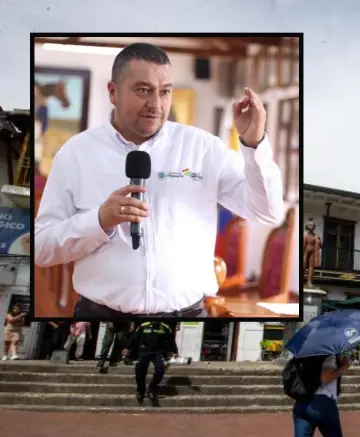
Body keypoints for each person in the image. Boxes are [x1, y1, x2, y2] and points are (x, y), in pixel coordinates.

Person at [34, 42, 286, 317]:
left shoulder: (202, 149)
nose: (155, 104)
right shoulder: (75, 154)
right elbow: (42, 248)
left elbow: (267, 211)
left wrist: (254, 144)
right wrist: (98, 220)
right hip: (101, 319)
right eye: (143, 90)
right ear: (113, 92)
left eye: (165, 91)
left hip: (189, 319)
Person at [124, 320, 176, 405]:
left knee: (160, 369)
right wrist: (127, 347)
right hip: (144, 352)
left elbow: (171, 340)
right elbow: (134, 338)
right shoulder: (143, 325)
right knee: (140, 370)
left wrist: (174, 351)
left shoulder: (165, 327)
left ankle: (152, 389)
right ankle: (140, 390)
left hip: (158, 353)